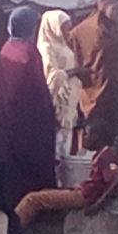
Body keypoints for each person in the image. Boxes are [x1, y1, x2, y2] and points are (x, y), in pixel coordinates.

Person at [0, 5, 57, 208]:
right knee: (34, 161)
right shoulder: (29, 52)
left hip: (5, 116)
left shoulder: (7, 48)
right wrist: (49, 113)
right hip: (29, 118)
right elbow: (37, 88)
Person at [14, 119, 118, 227]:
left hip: (84, 197)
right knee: (43, 193)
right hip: (82, 192)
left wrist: (98, 204)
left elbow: (117, 179)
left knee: (33, 199)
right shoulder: (101, 154)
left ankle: (12, 226)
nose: (84, 138)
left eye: (86, 135)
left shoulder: (106, 156)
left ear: (96, 137)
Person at [69, 0, 118, 129]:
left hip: (115, 91)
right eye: (114, 9)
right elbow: (74, 52)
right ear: (103, 8)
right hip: (92, 89)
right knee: (92, 131)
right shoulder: (84, 30)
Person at [37, 10, 90, 174]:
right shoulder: (46, 47)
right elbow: (50, 75)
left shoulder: (65, 46)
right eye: (64, 28)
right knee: (55, 149)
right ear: (53, 27)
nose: (68, 32)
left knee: (65, 150)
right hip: (57, 103)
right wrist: (74, 72)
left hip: (68, 105)